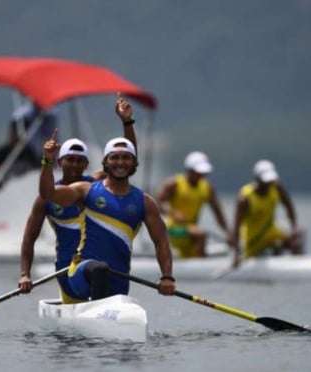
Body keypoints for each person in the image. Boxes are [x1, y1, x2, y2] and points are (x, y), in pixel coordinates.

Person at [18, 95, 139, 303]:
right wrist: (25, 274)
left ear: (87, 164)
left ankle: (101, 314)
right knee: (94, 275)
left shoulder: (92, 186)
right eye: (70, 160)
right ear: (59, 162)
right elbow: (29, 239)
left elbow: (126, 159)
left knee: (100, 271)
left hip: (98, 267)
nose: (74, 165)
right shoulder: (46, 197)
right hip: (67, 269)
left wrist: (126, 122)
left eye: (80, 161)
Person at [36, 134, 176, 302]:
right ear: (105, 163)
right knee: (99, 269)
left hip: (119, 279)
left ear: (134, 163)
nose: (120, 162)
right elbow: (47, 193)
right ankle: (97, 312)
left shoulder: (145, 202)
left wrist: (167, 277)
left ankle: (100, 313)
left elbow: (161, 242)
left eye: (126, 157)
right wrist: (47, 161)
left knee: (106, 277)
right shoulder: (85, 191)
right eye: (114, 157)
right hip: (81, 272)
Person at [229, 159, 303, 267]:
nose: (269, 183)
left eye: (270, 180)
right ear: (257, 179)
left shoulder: (276, 188)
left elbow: (289, 206)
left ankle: (297, 267)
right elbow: (236, 227)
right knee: (275, 247)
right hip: (254, 240)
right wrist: (235, 254)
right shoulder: (245, 199)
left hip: (272, 233)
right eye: (265, 180)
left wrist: (294, 228)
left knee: (295, 242)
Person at [155, 151, 230, 258]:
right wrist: (172, 213)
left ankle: (193, 265)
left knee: (196, 237)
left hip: (191, 230)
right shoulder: (174, 184)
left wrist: (228, 233)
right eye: (198, 172)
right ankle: (200, 266)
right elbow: (157, 203)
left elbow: (217, 212)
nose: (201, 175)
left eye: (203, 173)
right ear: (189, 170)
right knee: (201, 234)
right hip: (174, 231)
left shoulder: (206, 187)